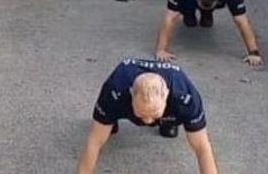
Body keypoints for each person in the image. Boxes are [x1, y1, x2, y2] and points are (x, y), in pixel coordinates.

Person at [77, 58, 218, 174]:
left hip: (171, 108)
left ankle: (167, 121)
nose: (148, 121)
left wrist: (154, 114)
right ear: (131, 93)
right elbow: (95, 141)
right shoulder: (115, 88)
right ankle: (116, 118)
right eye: (141, 114)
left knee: (170, 127)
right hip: (123, 100)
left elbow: (202, 147)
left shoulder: (186, 95)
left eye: (154, 114)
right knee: (105, 127)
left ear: (167, 95)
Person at [155, 0, 263, 67]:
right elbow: (171, 17)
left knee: (208, 20)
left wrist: (254, 53)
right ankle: (189, 12)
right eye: (203, 5)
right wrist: (161, 50)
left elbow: (241, 19)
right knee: (187, 16)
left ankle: (206, 13)